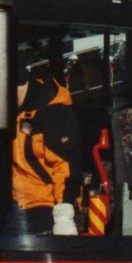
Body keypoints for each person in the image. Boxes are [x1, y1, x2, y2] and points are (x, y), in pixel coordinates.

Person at [11, 70, 82, 235]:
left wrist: (63, 215)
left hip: (45, 207)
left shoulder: (55, 114)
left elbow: (65, 166)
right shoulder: (14, 112)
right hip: (15, 204)